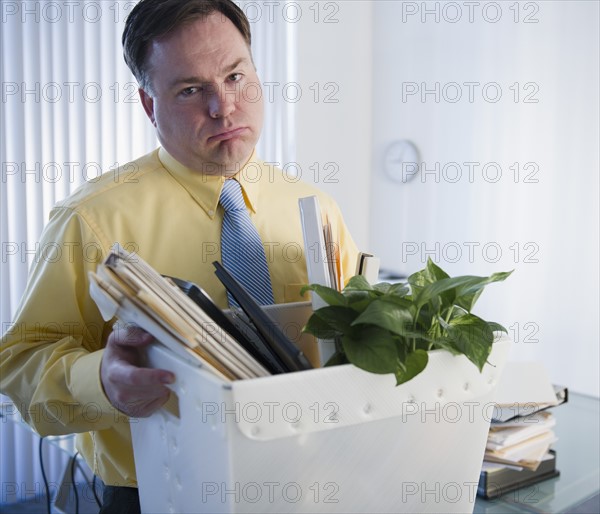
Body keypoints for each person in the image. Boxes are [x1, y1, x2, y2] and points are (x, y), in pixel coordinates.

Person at [0, 0, 358, 512]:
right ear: (150, 105)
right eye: (191, 90)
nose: (224, 107)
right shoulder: (92, 220)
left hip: (303, 485)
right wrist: (100, 378)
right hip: (157, 494)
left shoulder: (316, 209)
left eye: (235, 77)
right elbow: (18, 363)